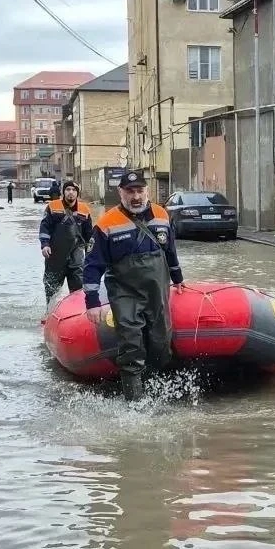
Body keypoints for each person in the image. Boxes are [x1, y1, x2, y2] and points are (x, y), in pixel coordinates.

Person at [82, 170, 184, 401]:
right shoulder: (106, 223)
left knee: (161, 344)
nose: (136, 197)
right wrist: (92, 302)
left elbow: (170, 251)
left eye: (139, 190)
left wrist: (178, 278)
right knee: (131, 346)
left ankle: (156, 397)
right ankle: (135, 404)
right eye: (130, 191)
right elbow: (92, 265)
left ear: (147, 191)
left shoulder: (162, 215)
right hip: (125, 295)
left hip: (157, 293)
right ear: (121, 193)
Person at [39, 180, 93, 308]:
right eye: (68, 189)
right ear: (63, 192)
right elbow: (45, 228)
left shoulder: (84, 210)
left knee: (78, 289)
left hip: (76, 256)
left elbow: (89, 235)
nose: (71, 192)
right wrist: (45, 245)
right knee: (51, 289)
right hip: (55, 255)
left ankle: (76, 312)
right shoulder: (53, 206)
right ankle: (50, 311)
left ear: (77, 193)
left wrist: (91, 255)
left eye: (74, 190)